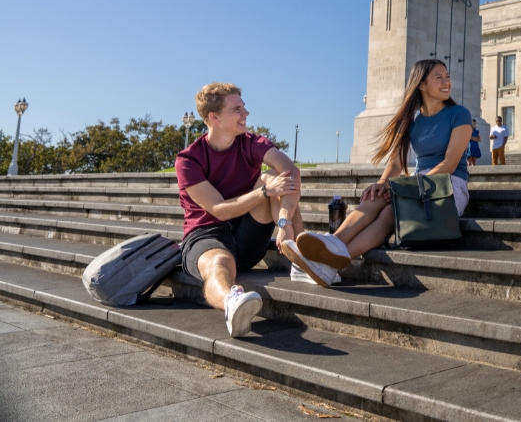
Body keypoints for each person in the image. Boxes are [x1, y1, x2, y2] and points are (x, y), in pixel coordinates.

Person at [176, 83, 332, 338]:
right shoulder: (189, 159)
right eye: (237, 109)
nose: (245, 113)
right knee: (221, 261)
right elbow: (219, 210)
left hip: (247, 236)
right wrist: (263, 192)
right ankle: (232, 303)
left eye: (244, 107)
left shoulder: (251, 142)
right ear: (213, 117)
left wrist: (284, 220)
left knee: (273, 176)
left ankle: (301, 256)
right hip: (205, 236)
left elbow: (290, 171)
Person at [296, 60, 472, 279]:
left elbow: (449, 164)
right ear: (422, 85)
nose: (447, 82)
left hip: (448, 186)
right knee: (377, 197)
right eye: (439, 77)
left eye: (447, 76)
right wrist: (381, 183)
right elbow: (396, 164)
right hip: (419, 185)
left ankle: (330, 263)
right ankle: (334, 243)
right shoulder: (411, 121)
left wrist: (405, 188)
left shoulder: (459, 114)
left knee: (392, 210)